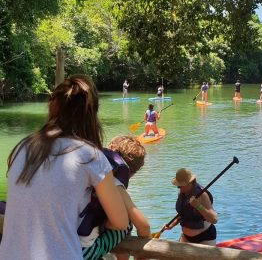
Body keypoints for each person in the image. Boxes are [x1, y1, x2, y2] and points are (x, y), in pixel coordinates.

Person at [0, 75, 129, 260]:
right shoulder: (90, 156)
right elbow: (120, 222)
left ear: (53, 108)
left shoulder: (22, 147)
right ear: (92, 114)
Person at [79, 135, 151, 260]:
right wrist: (143, 249)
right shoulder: (114, 182)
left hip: (62, 243)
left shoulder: (88, 169)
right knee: (127, 221)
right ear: (131, 173)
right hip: (83, 253)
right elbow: (143, 226)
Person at [162, 168, 218, 246]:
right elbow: (182, 214)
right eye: (178, 186)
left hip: (205, 238)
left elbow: (214, 219)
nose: (179, 188)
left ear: (190, 183)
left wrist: (198, 206)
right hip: (185, 237)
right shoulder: (181, 192)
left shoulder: (202, 194)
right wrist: (171, 225)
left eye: (180, 186)